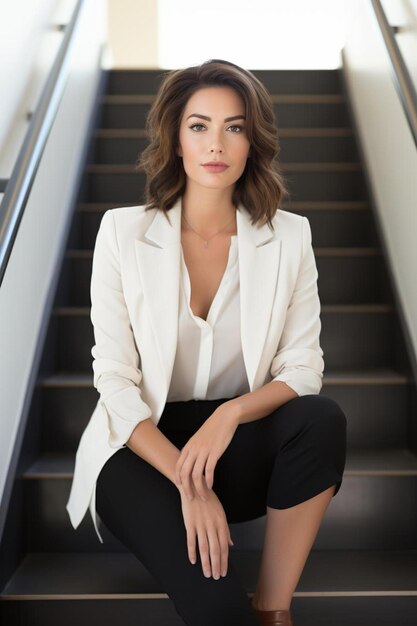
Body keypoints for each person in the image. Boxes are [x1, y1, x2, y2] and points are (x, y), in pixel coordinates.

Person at [66, 59, 347, 626]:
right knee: (218, 610)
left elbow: (303, 368)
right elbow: (115, 381)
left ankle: (274, 608)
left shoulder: (289, 236)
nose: (215, 143)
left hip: (231, 448)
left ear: (252, 141)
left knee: (321, 419)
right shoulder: (123, 232)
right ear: (174, 137)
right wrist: (187, 484)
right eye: (198, 125)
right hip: (139, 450)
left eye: (234, 126)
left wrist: (229, 416)